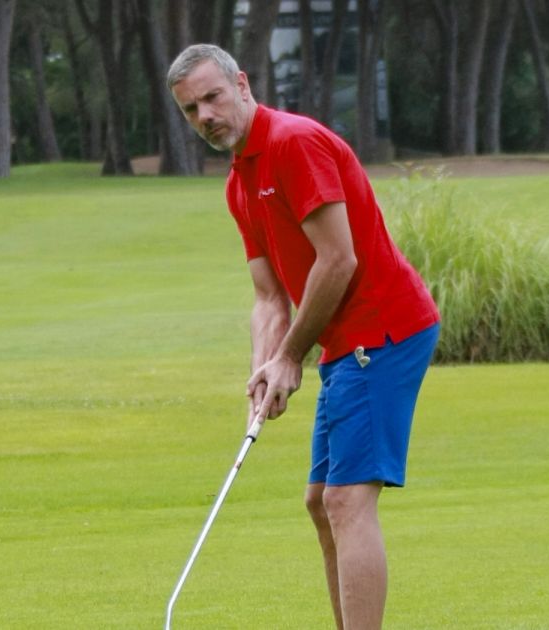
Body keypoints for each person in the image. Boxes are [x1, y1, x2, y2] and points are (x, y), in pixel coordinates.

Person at [167, 44, 441, 629]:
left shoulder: (294, 143)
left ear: (242, 84)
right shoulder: (239, 182)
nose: (205, 116)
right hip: (345, 343)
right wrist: (264, 367)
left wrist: (292, 355)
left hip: (383, 329)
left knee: (346, 501)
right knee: (321, 503)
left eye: (212, 97)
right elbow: (270, 296)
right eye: (191, 110)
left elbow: (337, 260)